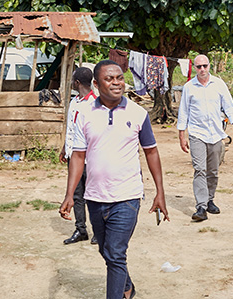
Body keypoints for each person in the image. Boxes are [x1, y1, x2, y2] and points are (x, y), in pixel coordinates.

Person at [59, 60, 169, 299]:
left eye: (119, 77)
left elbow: (151, 151)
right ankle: (127, 285)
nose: (117, 83)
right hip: (94, 197)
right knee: (106, 251)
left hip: (127, 197)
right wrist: (69, 194)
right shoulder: (84, 114)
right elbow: (78, 156)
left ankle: (120, 294)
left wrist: (160, 192)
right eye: (109, 79)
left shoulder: (138, 113)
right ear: (97, 84)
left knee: (116, 253)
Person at [177, 54, 233, 222]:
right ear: (195, 68)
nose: (202, 69)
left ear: (209, 66)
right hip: (197, 134)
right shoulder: (189, 87)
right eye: (199, 67)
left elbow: (229, 106)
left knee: (213, 171)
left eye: (205, 66)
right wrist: (181, 135)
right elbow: (183, 112)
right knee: (199, 169)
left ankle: (210, 199)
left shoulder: (219, 85)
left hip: (216, 134)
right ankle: (201, 207)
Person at [59, 67, 98, 245]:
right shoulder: (74, 101)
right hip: (73, 156)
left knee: (94, 196)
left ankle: (99, 230)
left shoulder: (95, 104)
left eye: (72, 80)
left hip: (90, 159)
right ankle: (81, 229)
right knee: (76, 194)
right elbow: (71, 129)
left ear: (77, 83)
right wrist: (64, 148)